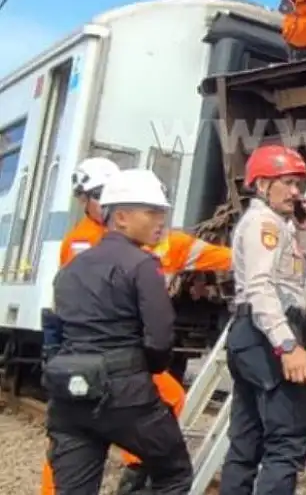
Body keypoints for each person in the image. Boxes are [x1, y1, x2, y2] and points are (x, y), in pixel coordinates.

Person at [40, 157, 233, 495]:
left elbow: (56, 324)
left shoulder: (74, 263)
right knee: (173, 473)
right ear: (122, 217)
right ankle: (134, 474)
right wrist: (139, 369)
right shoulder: (142, 261)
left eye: (162, 213)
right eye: (152, 213)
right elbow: (160, 338)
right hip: (123, 389)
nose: (160, 221)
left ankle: (134, 468)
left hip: (70, 390)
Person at [218, 144, 306, 495]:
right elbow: (261, 287)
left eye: (297, 184)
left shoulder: (275, 224)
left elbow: (290, 277)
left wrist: (302, 229)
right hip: (265, 335)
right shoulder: (265, 224)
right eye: (287, 182)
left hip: (249, 335)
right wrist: (286, 344)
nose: (296, 192)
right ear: (261, 185)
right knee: (287, 437)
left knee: (246, 441)